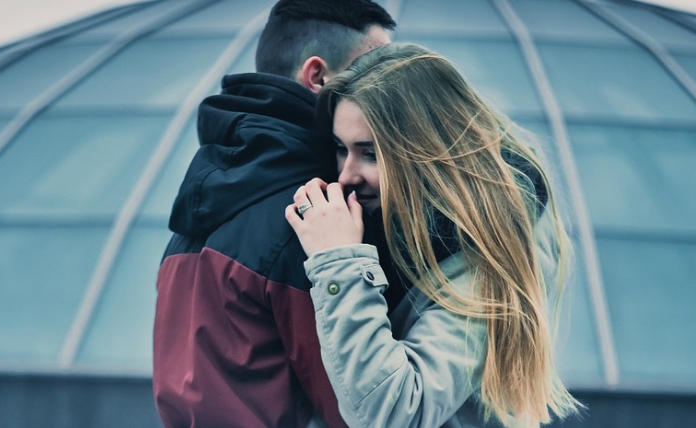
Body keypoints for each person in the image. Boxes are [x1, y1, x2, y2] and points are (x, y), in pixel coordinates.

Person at [286, 43, 581, 428]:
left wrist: (339, 260)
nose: (346, 176)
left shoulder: (485, 252)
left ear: (427, 150)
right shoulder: (393, 222)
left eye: (371, 153)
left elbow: (393, 414)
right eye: (342, 149)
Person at [153, 1, 395, 427]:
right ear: (317, 76)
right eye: (372, 71)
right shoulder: (316, 215)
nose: (389, 88)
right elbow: (365, 407)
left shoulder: (209, 192)